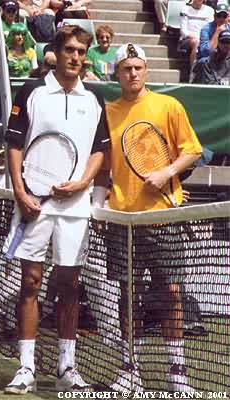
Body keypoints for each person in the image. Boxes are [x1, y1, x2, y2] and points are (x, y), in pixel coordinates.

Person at [3, 24, 109, 394]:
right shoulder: (32, 91)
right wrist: (20, 191)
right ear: (57, 52)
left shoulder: (93, 99)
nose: (77, 57)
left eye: (82, 51)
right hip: (33, 202)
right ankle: (26, 368)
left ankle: (67, 367)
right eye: (70, 50)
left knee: (70, 285)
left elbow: (100, 149)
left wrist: (83, 183)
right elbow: (14, 144)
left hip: (76, 207)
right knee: (30, 283)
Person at [93, 43, 202, 392]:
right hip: (122, 218)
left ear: (146, 70)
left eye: (138, 67)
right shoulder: (106, 112)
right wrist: (98, 203)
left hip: (162, 217)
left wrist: (166, 171)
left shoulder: (168, 106)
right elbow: (102, 165)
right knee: (128, 295)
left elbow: (192, 151)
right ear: (117, 72)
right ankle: (130, 370)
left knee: (171, 293)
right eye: (126, 68)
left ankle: (177, 374)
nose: (133, 73)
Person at [179, 0, 214, 66]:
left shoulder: (210, 10)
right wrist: (197, 37)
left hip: (204, 38)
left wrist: (203, 38)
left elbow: (209, 28)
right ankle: (193, 70)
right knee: (196, 42)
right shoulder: (185, 9)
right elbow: (183, 31)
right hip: (188, 39)